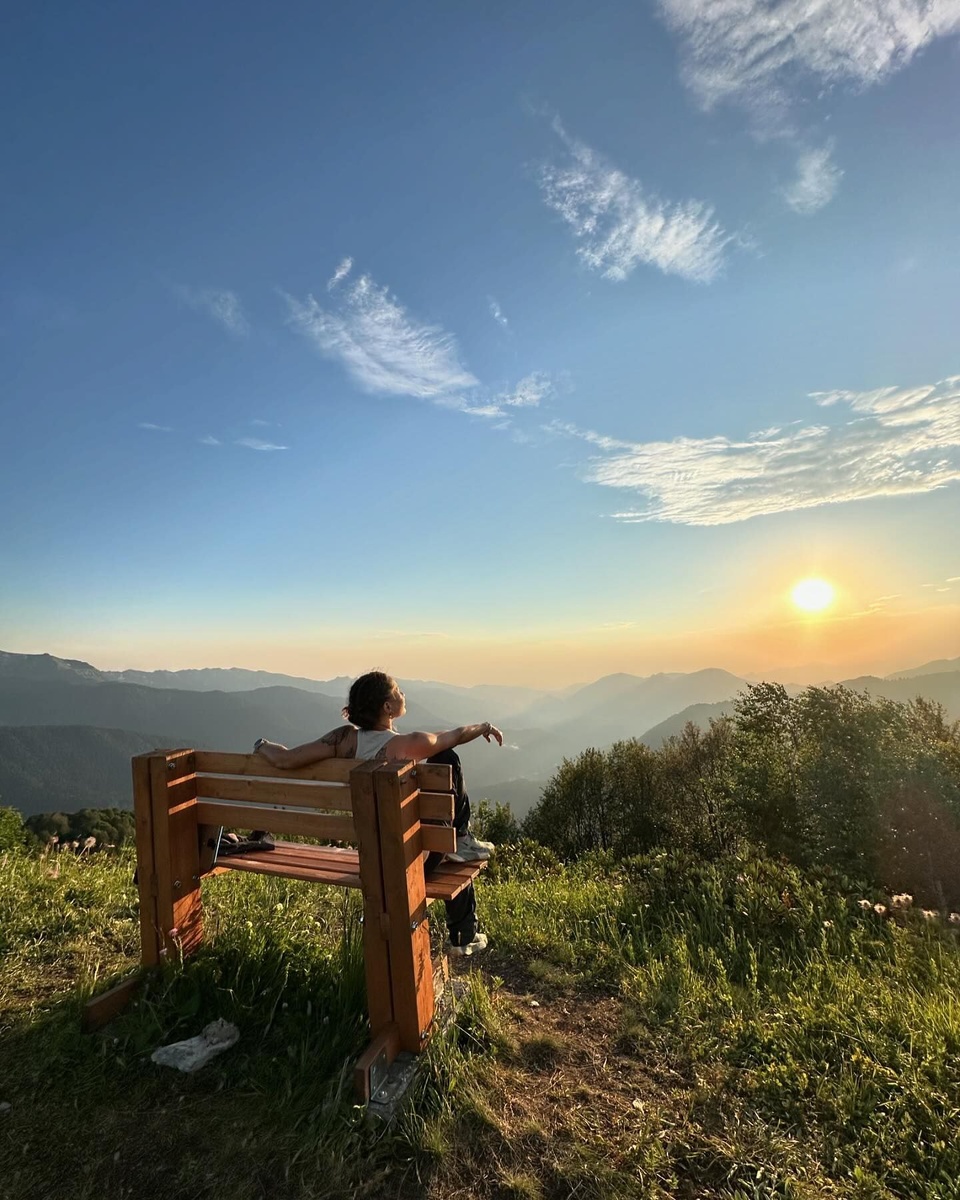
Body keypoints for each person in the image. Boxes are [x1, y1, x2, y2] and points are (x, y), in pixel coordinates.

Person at [254, 670, 502, 956]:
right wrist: (484, 726)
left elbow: (286, 759)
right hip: (410, 858)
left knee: (443, 843)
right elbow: (455, 736)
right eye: (397, 691)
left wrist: (261, 745)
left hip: (372, 854)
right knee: (447, 764)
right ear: (387, 707)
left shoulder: (343, 740)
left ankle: (459, 843)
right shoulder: (405, 745)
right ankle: (463, 930)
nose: (402, 694)